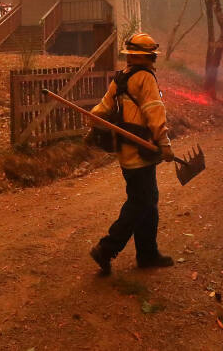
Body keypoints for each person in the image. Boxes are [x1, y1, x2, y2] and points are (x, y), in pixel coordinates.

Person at [88, 32, 176, 275]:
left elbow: (103, 108)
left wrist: (93, 119)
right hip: (141, 151)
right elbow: (154, 112)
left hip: (127, 153)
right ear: (149, 57)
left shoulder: (121, 78)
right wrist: (164, 143)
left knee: (148, 201)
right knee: (141, 203)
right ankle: (106, 249)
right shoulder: (146, 79)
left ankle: (147, 254)